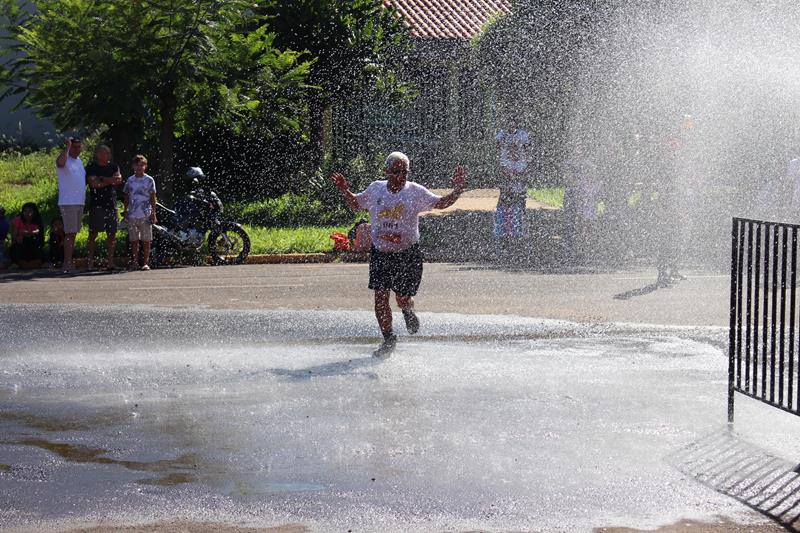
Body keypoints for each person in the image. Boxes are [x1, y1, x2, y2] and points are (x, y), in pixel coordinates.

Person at [332, 151, 466, 357]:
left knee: (402, 298)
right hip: (381, 253)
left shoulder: (414, 192)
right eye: (396, 171)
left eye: (404, 172)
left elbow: (440, 203)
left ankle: (407, 310)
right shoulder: (376, 189)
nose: (400, 176)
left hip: (407, 254)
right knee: (380, 296)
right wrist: (344, 190)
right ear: (387, 171)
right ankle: (388, 338)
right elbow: (355, 203)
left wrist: (457, 190)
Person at [494, 117, 531, 262]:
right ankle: (504, 236)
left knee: (519, 205)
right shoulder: (502, 135)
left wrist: (521, 174)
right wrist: (508, 174)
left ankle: (518, 236)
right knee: (505, 206)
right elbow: (497, 148)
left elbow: (528, 150)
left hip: (519, 175)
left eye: (513, 123)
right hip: (507, 175)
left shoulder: (522, 136)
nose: (511, 126)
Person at [85, 145, 122, 270]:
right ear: (98, 154)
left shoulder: (114, 166)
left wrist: (102, 179)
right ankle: (89, 263)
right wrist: (109, 180)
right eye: (106, 153)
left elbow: (118, 180)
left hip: (111, 204)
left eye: (109, 153)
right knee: (93, 234)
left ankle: (110, 262)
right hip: (96, 205)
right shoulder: (91, 167)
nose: (109, 155)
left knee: (112, 234)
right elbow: (94, 184)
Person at [55, 136, 86, 273]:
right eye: (74, 146)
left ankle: (69, 261)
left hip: (79, 202)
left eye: (79, 146)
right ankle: (66, 263)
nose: (77, 149)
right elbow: (60, 163)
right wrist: (67, 147)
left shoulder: (79, 161)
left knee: (73, 233)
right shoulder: (65, 158)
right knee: (69, 233)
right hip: (68, 202)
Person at [123, 155, 158, 270]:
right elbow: (126, 196)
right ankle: (134, 262)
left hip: (145, 213)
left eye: (142, 165)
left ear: (145, 166)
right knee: (134, 240)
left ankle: (145, 262)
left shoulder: (149, 180)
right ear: (133, 166)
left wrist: (153, 212)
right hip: (133, 213)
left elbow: (153, 197)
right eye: (137, 165)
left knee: (146, 240)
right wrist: (125, 210)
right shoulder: (130, 180)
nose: (139, 167)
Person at [9, 202, 44, 268]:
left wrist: (30, 233)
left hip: (32, 244)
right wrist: (21, 234)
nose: (27, 213)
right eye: (25, 211)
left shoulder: (37, 221)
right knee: (20, 241)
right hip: (20, 244)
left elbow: (38, 232)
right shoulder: (17, 220)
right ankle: (19, 262)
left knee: (33, 240)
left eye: (30, 211)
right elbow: (14, 236)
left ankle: (33, 262)